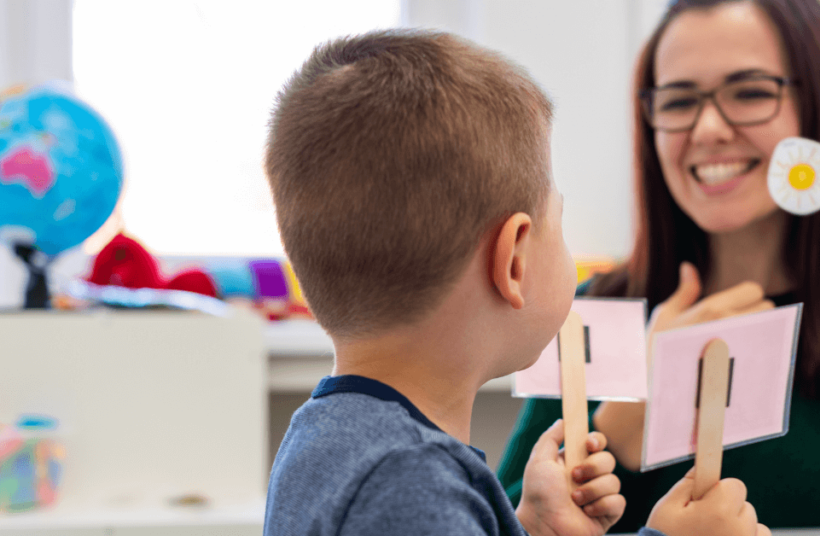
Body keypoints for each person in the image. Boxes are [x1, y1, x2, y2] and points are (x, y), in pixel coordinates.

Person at [497, 0, 820, 532]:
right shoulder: (590, 313)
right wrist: (626, 419)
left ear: (818, 107)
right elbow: (500, 522)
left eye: (750, 93)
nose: (708, 128)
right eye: (679, 101)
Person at [261, 29, 771, 536]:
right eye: (559, 222)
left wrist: (526, 528)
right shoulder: (408, 480)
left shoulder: (323, 436)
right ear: (514, 261)